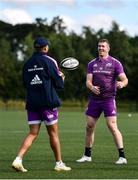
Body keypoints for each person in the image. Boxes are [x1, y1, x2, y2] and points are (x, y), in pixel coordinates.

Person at [12, 37, 71, 172]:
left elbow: (25, 84)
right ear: (46, 48)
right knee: (53, 133)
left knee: (33, 133)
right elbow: (59, 84)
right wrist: (62, 77)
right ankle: (59, 164)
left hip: (32, 103)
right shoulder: (50, 61)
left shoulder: (27, 63)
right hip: (47, 103)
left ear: (35, 47)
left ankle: (18, 159)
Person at [76, 38, 128, 165]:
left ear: (108, 48)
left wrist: (122, 83)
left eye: (103, 46)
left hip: (109, 99)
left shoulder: (115, 63)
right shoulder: (92, 63)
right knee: (89, 127)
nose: (101, 48)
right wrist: (92, 87)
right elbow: (88, 81)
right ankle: (87, 155)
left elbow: (125, 79)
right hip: (94, 100)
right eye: (99, 46)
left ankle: (122, 157)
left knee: (112, 126)